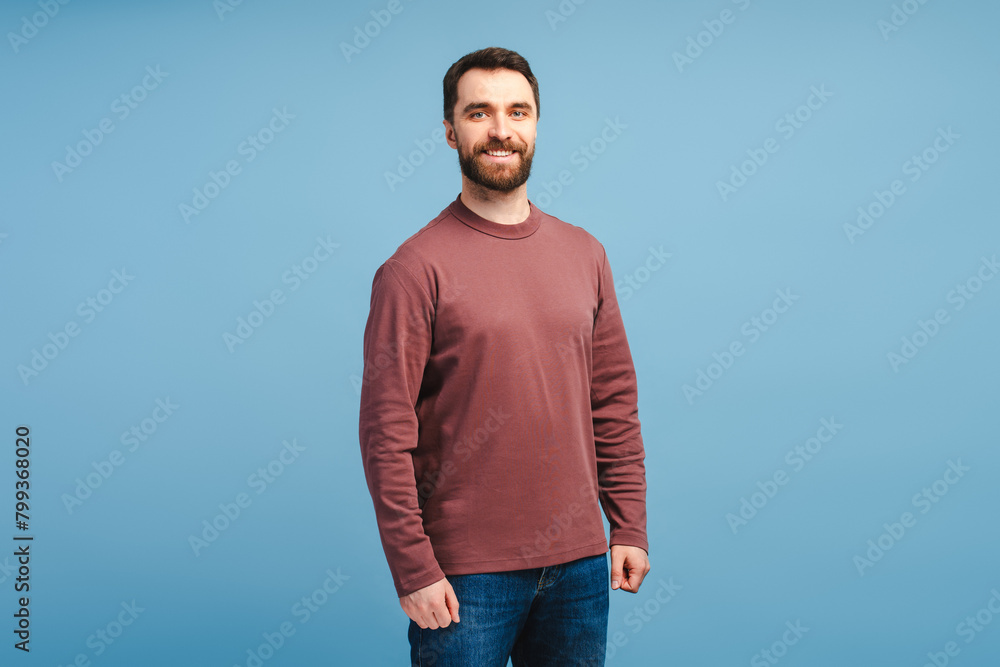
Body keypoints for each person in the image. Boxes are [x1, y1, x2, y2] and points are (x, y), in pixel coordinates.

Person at [359, 46, 650, 666]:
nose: (500, 129)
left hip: (580, 566)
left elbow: (613, 403)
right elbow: (385, 433)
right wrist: (413, 568)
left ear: (536, 124)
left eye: (517, 111)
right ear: (450, 131)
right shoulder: (412, 271)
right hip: (465, 576)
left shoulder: (586, 254)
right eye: (479, 113)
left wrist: (628, 524)